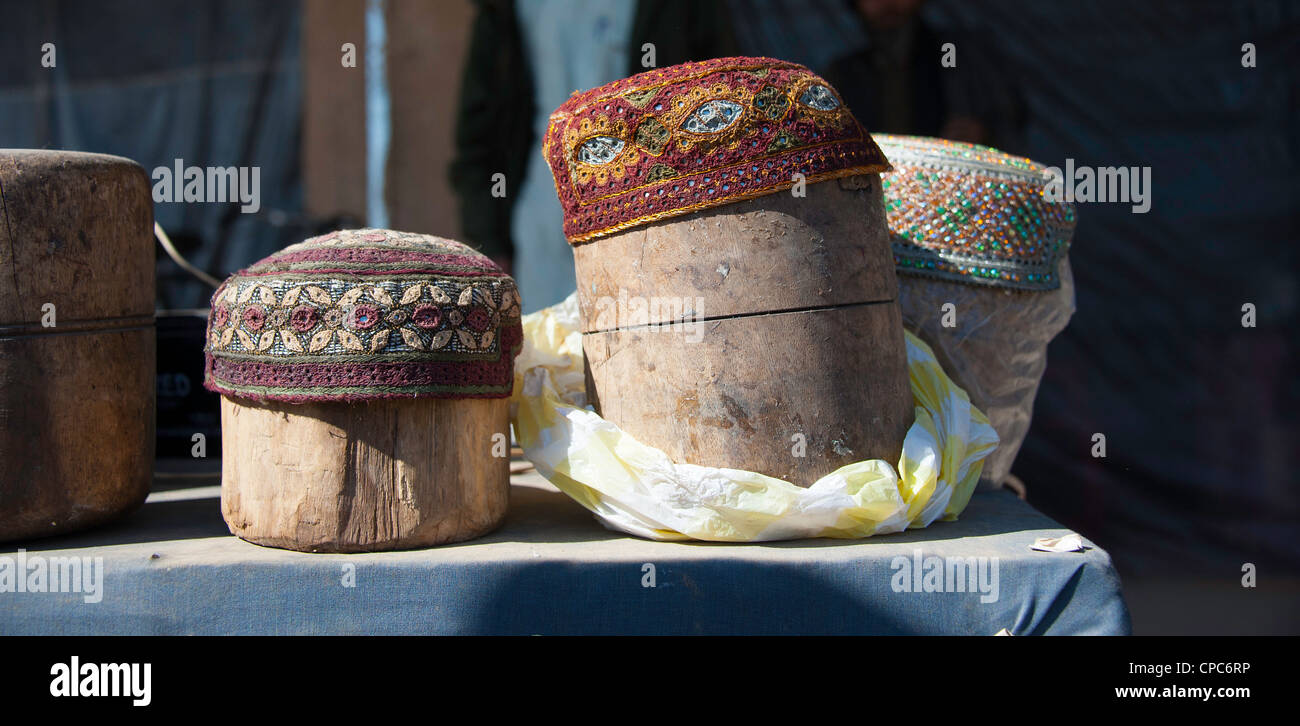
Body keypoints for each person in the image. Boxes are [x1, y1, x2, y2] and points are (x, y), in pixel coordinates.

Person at [451, 0, 736, 312]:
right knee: (551, 348)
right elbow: (478, 136)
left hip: (653, 221)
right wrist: (489, 243)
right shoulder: (503, 10)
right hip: (541, 227)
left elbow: (719, 101)